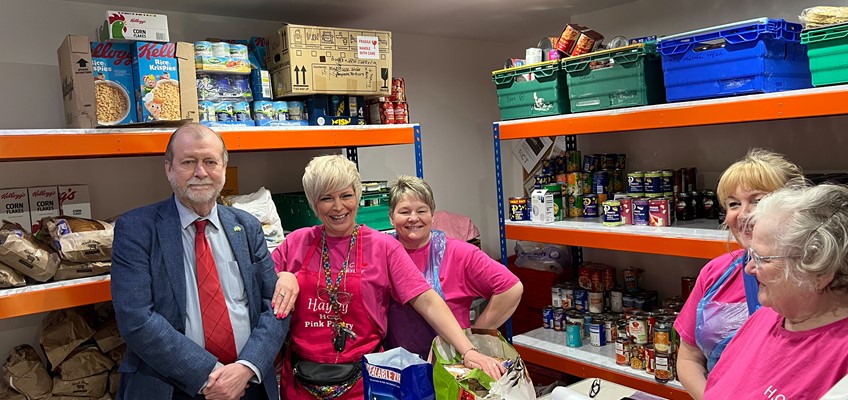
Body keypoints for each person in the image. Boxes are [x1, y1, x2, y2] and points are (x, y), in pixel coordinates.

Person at [271, 155, 505, 399]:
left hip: (363, 385)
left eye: (346, 196)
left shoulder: (383, 247)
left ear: (358, 197)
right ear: (313, 203)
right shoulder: (296, 243)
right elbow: (260, 286)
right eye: (326, 198)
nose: (338, 206)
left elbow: (427, 300)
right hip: (300, 384)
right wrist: (282, 276)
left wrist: (468, 350)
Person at [111, 123, 289, 400]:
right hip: (174, 387)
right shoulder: (136, 229)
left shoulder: (247, 226)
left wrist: (244, 369)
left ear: (223, 167)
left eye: (210, 161)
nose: (200, 172)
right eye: (188, 162)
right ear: (168, 168)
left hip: (248, 384)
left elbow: (275, 306)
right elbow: (136, 318)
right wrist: (209, 374)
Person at [675, 149, 803, 400]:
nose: (743, 214)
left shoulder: (814, 279)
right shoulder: (716, 272)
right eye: (734, 204)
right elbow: (689, 357)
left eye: (758, 201)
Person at [704, 182, 848, 398]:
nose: (749, 268)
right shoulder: (763, 318)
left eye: (762, 259)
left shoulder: (840, 357)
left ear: (820, 271)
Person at [383, 175, 523, 358]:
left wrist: (476, 336)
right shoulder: (383, 253)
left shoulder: (459, 253)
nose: (413, 218)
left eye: (421, 211)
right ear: (391, 218)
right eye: (404, 212)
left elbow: (511, 288)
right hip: (399, 365)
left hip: (451, 365)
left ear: (433, 216)